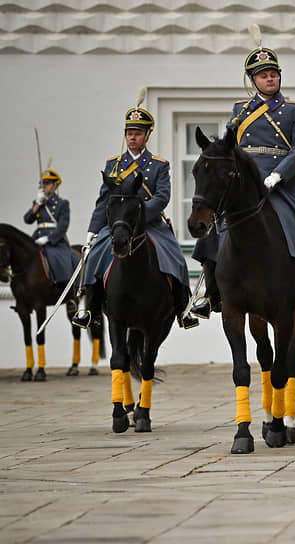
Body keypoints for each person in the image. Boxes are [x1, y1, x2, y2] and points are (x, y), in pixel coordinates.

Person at [189, 37, 295, 320]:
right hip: (246, 182)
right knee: (214, 231)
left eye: (273, 74)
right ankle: (209, 294)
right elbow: (231, 146)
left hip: (283, 181)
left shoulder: (294, 110)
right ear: (253, 81)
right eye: (263, 75)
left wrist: (280, 173)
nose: (270, 79)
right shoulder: (240, 110)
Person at [72, 105, 198, 330]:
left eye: (138, 133)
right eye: (129, 133)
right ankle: (90, 308)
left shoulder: (159, 165)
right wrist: (93, 230)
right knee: (95, 256)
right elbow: (104, 201)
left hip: (149, 224)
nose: (132, 137)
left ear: (147, 136)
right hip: (119, 225)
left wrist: (140, 216)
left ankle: (183, 308)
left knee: (176, 256)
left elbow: (161, 197)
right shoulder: (114, 164)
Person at [21, 168, 78, 382]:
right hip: (37, 239)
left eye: (49, 184)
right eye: (43, 184)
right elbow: (27, 219)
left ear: (56, 185)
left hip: (54, 241)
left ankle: (68, 292)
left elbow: (63, 226)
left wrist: (50, 238)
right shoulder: (41, 203)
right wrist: (37, 204)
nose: (46, 187)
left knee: (61, 260)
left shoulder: (62, 204)